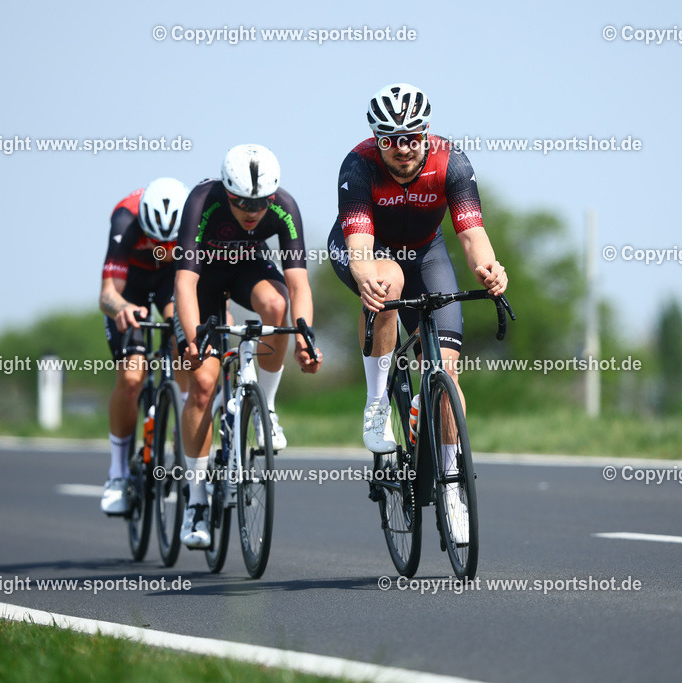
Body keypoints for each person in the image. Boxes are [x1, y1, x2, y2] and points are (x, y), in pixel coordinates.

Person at [328, 83, 508, 543]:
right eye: (391, 139)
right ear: (377, 140)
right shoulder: (359, 166)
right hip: (371, 252)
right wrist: (367, 279)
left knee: (446, 372)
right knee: (388, 282)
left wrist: (490, 269)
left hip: (428, 254)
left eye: (411, 137)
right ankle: (376, 404)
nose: (403, 149)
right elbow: (360, 244)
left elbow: (471, 235)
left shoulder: (452, 162)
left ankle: (453, 491)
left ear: (426, 132)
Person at [174, 144, 322, 549]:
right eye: (241, 202)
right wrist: (193, 339)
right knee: (203, 385)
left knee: (276, 305)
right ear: (226, 191)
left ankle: (267, 409)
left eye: (260, 203)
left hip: (247, 270)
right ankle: (197, 501)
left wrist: (304, 336)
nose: (251, 211)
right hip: (203, 279)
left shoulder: (284, 207)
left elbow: (298, 284)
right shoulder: (202, 200)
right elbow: (184, 282)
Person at [99, 177, 189, 515]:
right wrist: (122, 309)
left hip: (171, 282)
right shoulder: (125, 219)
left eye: (170, 243)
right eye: (155, 241)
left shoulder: (194, 215)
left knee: (184, 332)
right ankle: (118, 473)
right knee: (132, 378)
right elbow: (107, 294)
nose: (162, 250)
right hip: (131, 287)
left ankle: (184, 433)